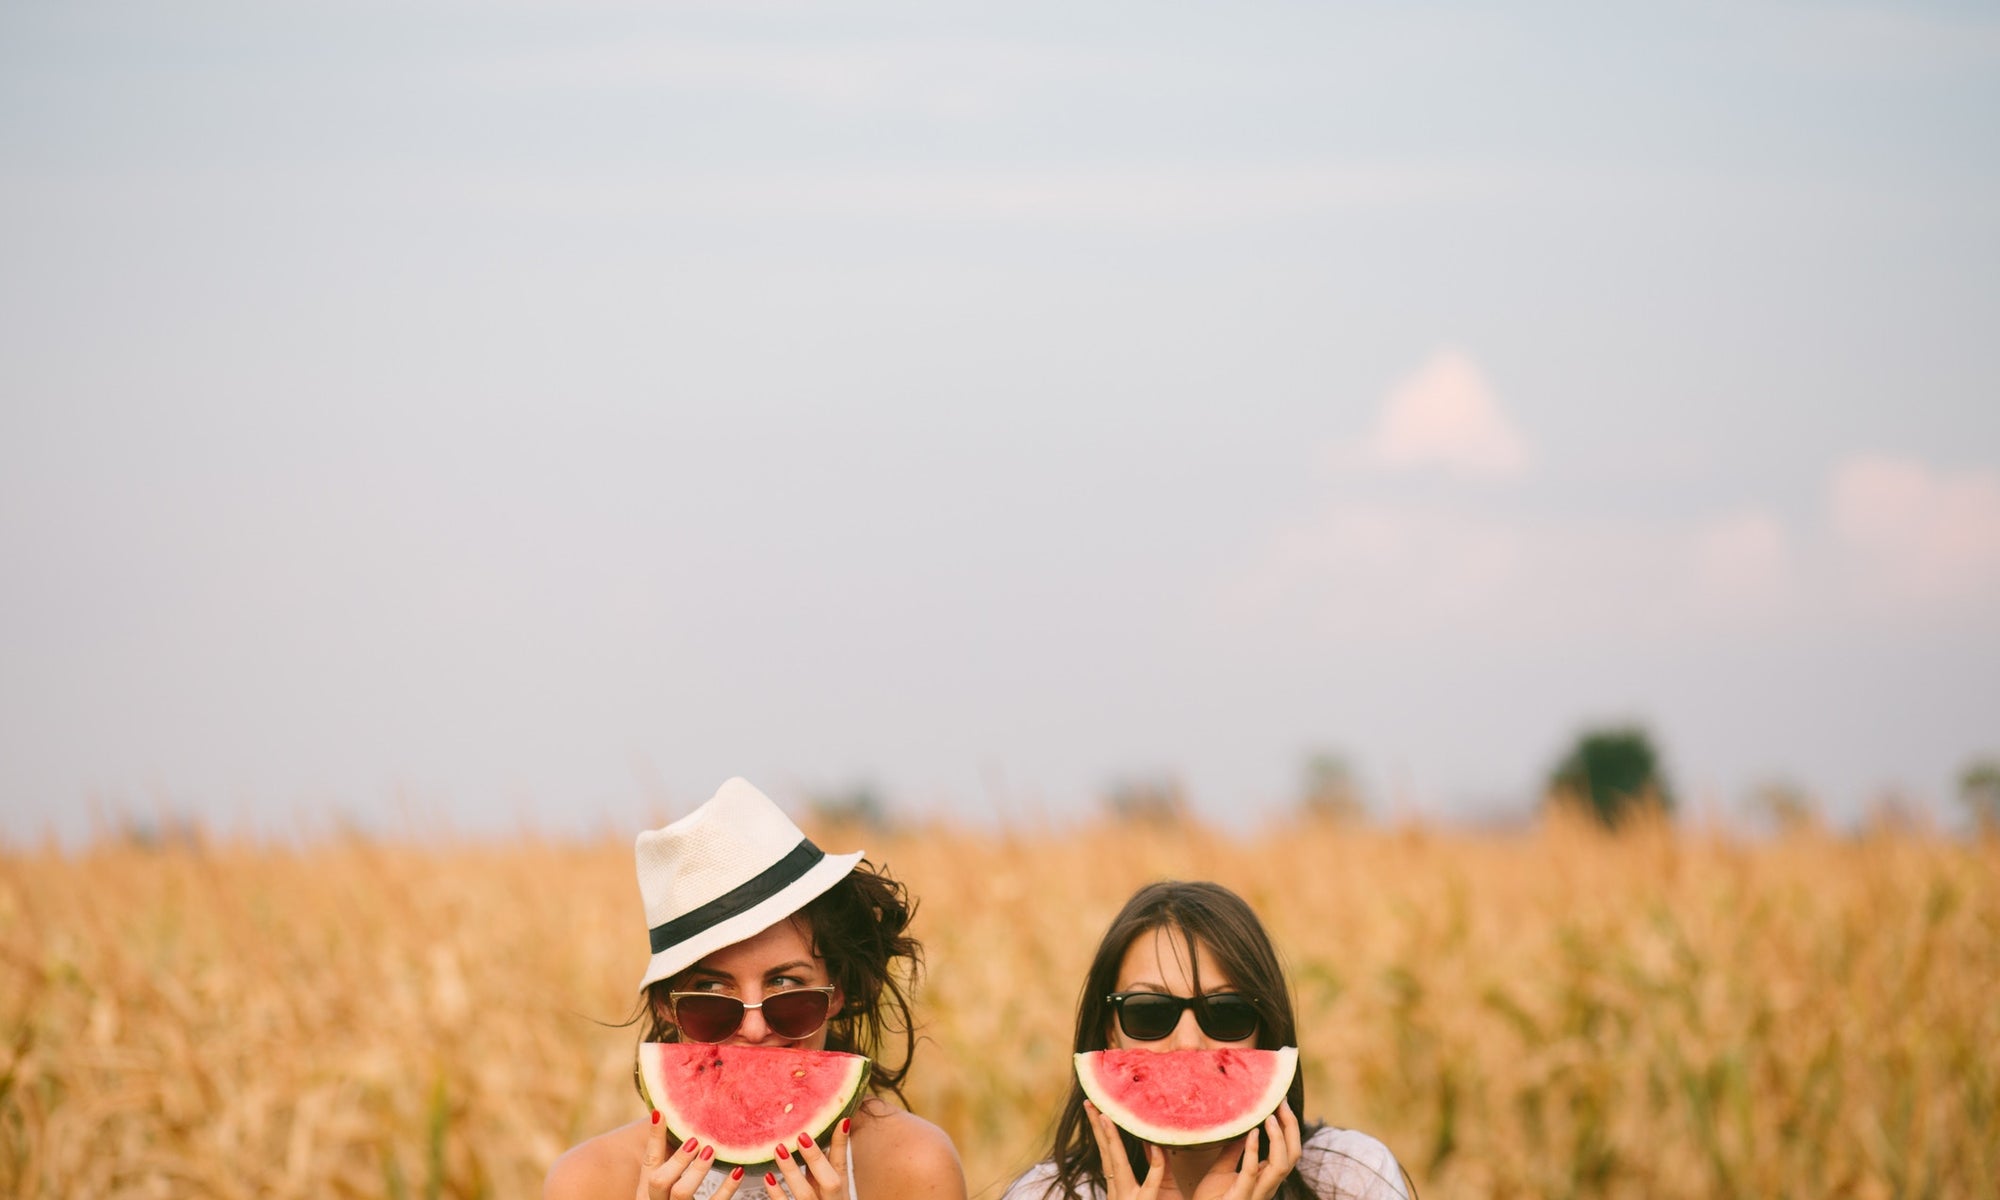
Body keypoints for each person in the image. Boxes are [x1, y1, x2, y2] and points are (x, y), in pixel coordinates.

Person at [545, 778, 966, 1200]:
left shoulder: (912, 1166)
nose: (754, 1027)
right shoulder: (588, 1183)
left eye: (786, 984)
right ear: (665, 1006)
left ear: (835, 991)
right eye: (711, 990)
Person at [1004, 881, 1412, 1200]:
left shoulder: (1347, 1179)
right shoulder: (1047, 1195)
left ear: (1265, 1029)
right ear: (1110, 1029)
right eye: (1148, 1011)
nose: (1187, 1042)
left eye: (1226, 1012)